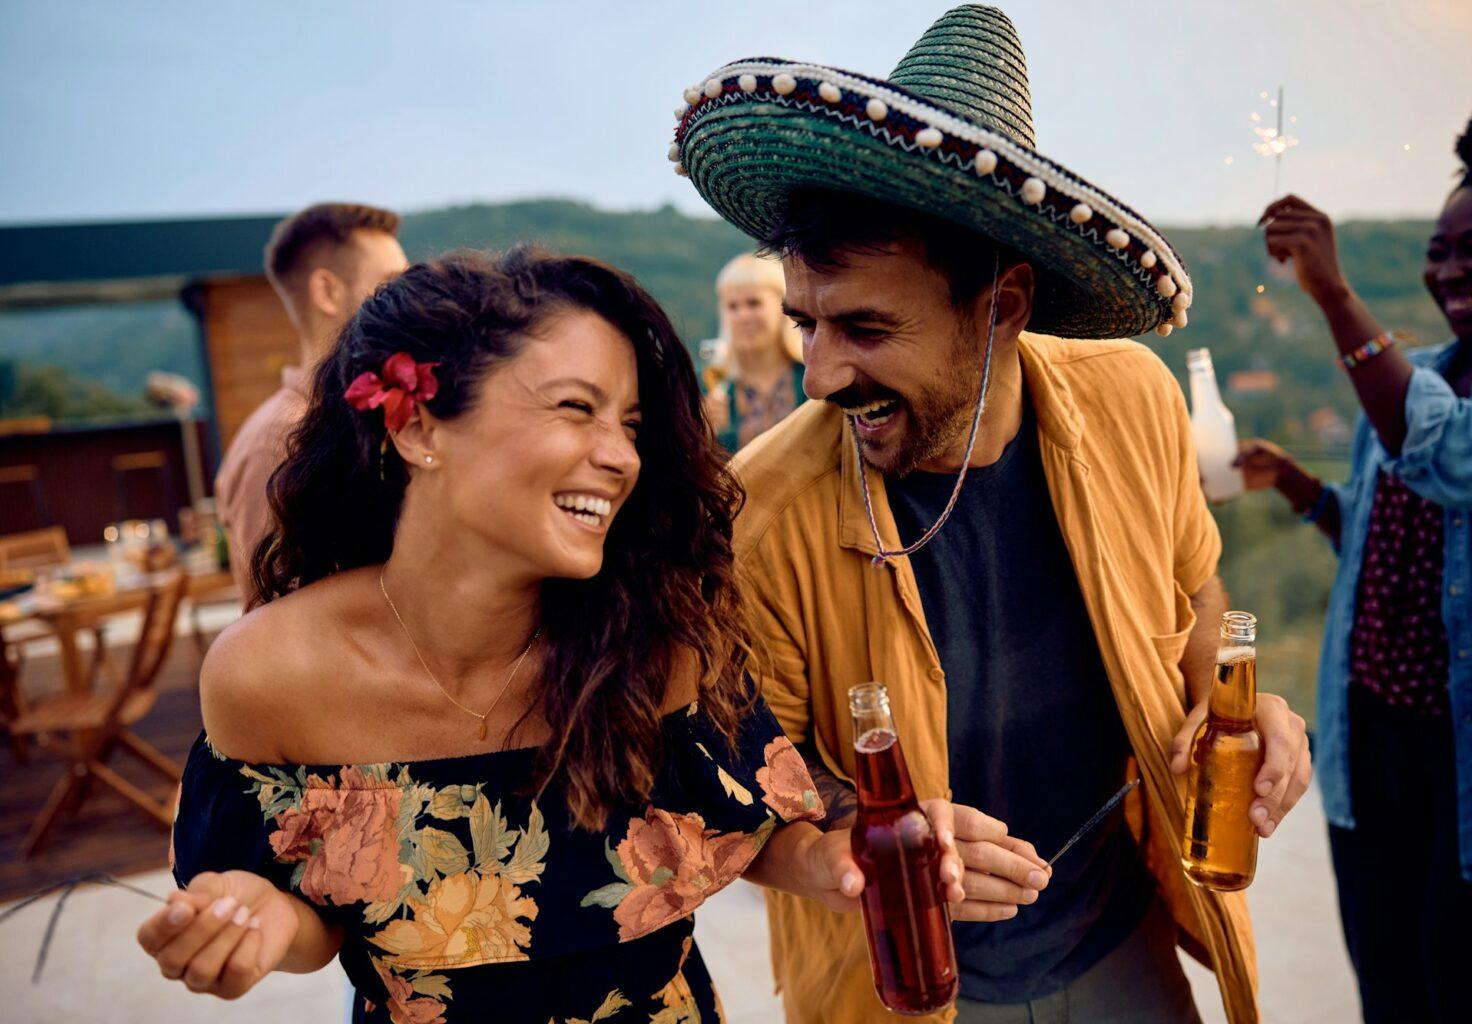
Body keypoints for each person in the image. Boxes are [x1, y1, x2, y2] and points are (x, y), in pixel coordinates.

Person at [669, 6, 1310, 1023]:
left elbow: (1194, 592)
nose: (821, 374)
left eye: (865, 327)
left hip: (1124, 936)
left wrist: (1232, 710)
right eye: (806, 324)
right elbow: (753, 785)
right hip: (900, 985)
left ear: (1004, 304)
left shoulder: (1135, 400)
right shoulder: (762, 514)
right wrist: (863, 842)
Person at [134, 248, 965, 1023]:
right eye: (576, 408)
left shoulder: (654, 636)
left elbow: (748, 818)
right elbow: (312, 914)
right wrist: (259, 921)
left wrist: (830, 863)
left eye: (631, 424)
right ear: (418, 429)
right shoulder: (267, 674)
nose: (622, 457)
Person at [1233, 118, 1472, 1023]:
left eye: (1471, 249)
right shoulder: (1421, 379)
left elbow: (1441, 455)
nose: (1449, 269)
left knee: (1453, 976)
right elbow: (1381, 539)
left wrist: (1333, 292)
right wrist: (1298, 485)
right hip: (1370, 741)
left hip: (1458, 759)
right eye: (1439, 251)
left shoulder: (1412, 402)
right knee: (1387, 979)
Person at [214, 202, 408, 606]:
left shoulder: (363, 416)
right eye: (389, 285)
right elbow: (271, 612)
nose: (404, 302)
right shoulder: (279, 440)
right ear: (327, 291)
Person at [702, 253, 806, 452]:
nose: (743, 316)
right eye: (732, 306)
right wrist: (700, 433)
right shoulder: (708, 383)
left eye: (753, 303)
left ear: (784, 306)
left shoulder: (813, 379)